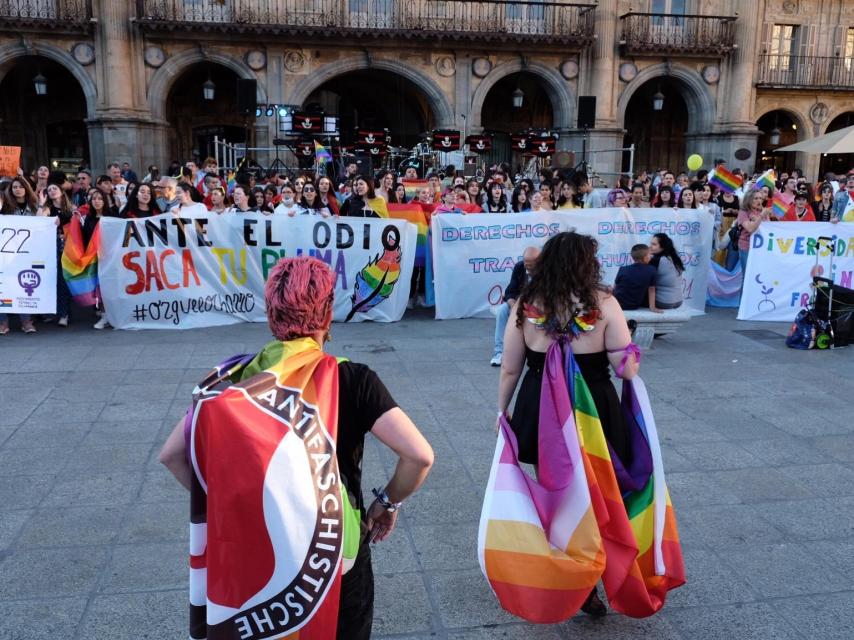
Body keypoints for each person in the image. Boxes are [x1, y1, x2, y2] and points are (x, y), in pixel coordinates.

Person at [158, 256, 434, 639]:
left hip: (261, 549)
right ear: (326, 315)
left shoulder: (233, 381)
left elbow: (172, 454)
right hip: (336, 550)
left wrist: (241, 504)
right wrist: (386, 504)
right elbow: (419, 455)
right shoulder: (352, 379)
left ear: (271, 311)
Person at [498, 232, 638, 617]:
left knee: (557, 491)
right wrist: (632, 350)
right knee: (596, 495)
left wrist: (502, 411)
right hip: (593, 409)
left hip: (540, 407)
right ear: (585, 264)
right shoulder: (605, 304)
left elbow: (511, 367)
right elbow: (626, 369)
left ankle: (570, 575)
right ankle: (595, 569)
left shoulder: (527, 305)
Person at [0, 177, 41, 335]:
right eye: (14, 187)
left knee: (24, 285)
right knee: (4, 286)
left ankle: (26, 321)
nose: (17, 189)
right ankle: (3, 322)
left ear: (26, 188)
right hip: (7, 253)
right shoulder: (6, 207)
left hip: (28, 253)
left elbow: (42, 224)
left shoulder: (34, 205)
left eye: (20, 186)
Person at [491, 247, 540, 366]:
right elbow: (510, 291)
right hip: (519, 304)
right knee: (502, 310)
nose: (527, 268)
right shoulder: (519, 267)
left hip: (537, 306)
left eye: (531, 266)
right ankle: (499, 352)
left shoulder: (547, 272)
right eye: (526, 264)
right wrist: (513, 305)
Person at [736, 187, 773, 277]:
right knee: (747, 276)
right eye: (755, 198)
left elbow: (769, 229)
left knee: (758, 275)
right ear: (749, 200)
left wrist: (762, 217)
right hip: (747, 247)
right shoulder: (743, 212)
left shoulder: (763, 211)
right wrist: (761, 217)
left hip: (761, 247)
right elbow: (750, 229)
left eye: (760, 198)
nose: (759, 201)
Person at [613, 244, 657, 311]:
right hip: (633, 305)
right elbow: (652, 290)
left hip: (617, 304)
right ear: (645, 258)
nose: (651, 256)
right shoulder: (652, 270)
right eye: (650, 255)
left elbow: (615, 287)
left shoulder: (622, 269)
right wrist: (652, 307)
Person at [648, 233, 684, 311]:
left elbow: (646, 281)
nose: (650, 246)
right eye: (650, 243)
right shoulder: (675, 258)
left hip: (663, 302)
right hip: (679, 301)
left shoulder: (656, 260)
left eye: (654, 244)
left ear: (663, 247)